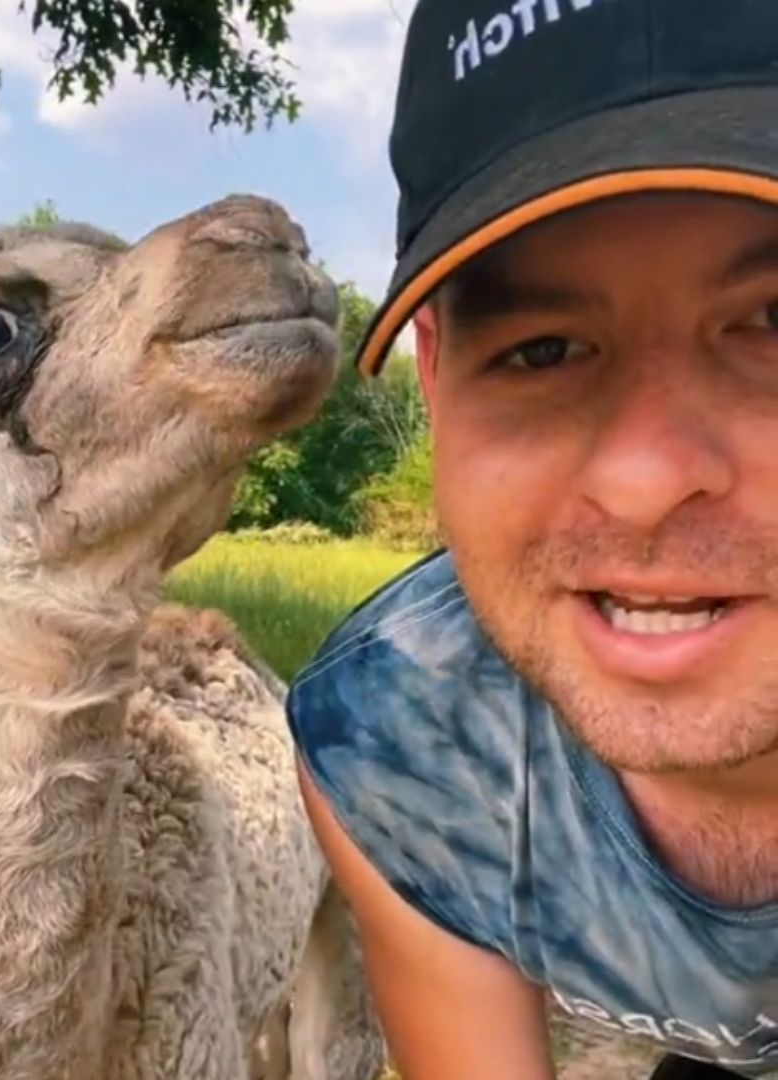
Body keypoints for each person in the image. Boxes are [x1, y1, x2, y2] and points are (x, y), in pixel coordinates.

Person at [287, 1, 778, 1077]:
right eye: (543, 348)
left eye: (773, 320)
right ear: (435, 378)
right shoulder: (401, 739)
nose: (643, 480)